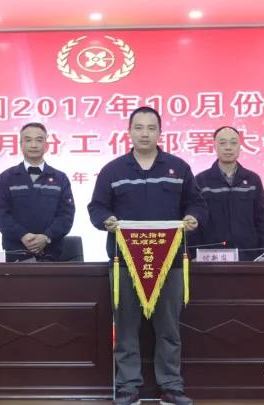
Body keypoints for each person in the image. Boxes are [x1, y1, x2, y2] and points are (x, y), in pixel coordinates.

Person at [88, 106, 207, 405]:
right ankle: (127, 387)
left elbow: (197, 204)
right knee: (126, 328)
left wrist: (193, 217)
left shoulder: (178, 168)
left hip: (170, 262)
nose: (145, 133)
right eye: (139, 127)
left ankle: (171, 387)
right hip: (125, 262)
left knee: (169, 328)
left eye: (151, 128)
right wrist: (105, 220)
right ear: (129, 132)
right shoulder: (113, 170)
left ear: (160, 132)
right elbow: (97, 208)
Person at [0, 122, 75, 262]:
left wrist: (46, 237)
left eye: (39, 140)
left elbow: (66, 215)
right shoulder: (6, 178)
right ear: (21, 144)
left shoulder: (60, 178)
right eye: (28, 140)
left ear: (46, 145)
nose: (33, 145)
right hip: (15, 256)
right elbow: (1, 215)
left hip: (52, 256)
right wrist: (22, 235)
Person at [195, 126, 264, 261]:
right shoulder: (201, 180)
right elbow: (196, 220)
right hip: (212, 258)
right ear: (215, 146)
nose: (228, 148)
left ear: (240, 147)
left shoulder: (252, 180)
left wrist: (263, 252)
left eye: (233, 143)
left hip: (249, 256)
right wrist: (194, 253)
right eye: (222, 143)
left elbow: (262, 218)